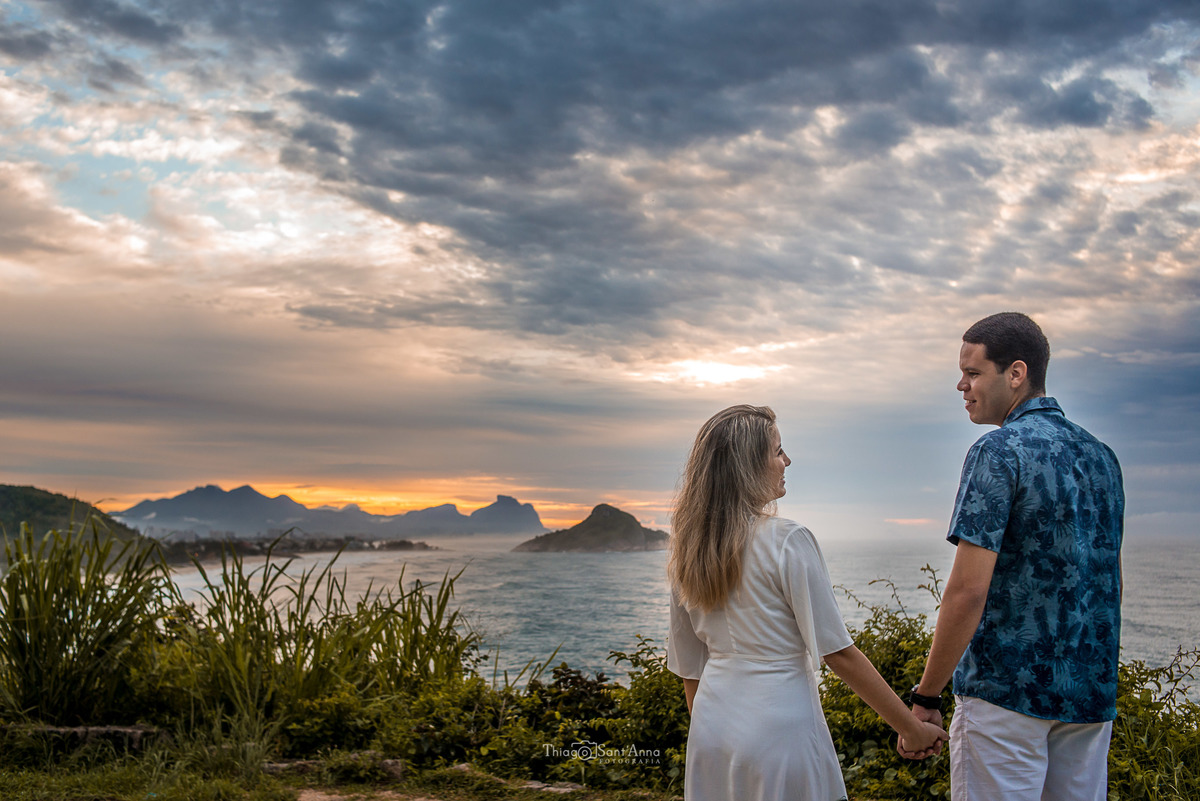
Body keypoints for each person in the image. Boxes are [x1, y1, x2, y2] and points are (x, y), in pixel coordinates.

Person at [667, 404, 947, 801]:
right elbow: (839, 654)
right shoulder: (787, 540)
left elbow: (689, 668)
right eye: (778, 450)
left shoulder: (687, 553)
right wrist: (911, 728)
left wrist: (720, 733)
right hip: (780, 729)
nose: (787, 460)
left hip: (712, 730)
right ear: (749, 465)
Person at [902, 313, 1125, 801]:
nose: (961, 385)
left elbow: (967, 590)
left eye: (974, 372)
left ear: (1016, 373)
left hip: (1005, 695)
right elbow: (1107, 579)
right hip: (1088, 697)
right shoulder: (1102, 456)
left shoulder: (998, 452)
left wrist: (926, 696)